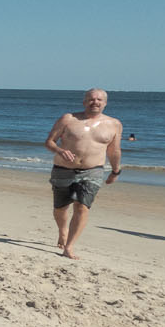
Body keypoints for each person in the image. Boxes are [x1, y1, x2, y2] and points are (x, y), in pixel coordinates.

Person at [42, 89, 123, 259]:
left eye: (99, 99)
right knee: (60, 208)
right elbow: (49, 142)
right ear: (84, 101)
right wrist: (60, 150)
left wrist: (116, 171)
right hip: (63, 170)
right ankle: (62, 230)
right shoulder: (69, 119)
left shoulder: (114, 124)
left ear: (105, 103)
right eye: (91, 99)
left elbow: (114, 150)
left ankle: (69, 247)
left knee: (82, 206)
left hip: (92, 171)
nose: (95, 102)